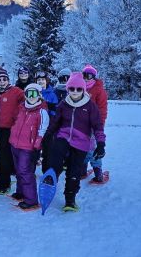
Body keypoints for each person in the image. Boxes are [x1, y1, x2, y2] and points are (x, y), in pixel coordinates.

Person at [45, 72, 106, 212]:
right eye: (72, 89)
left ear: (83, 90)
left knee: (74, 171)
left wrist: (101, 143)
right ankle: (52, 174)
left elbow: (98, 126)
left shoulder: (90, 106)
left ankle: (70, 199)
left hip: (82, 142)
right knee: (57, 150)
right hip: (64, 136)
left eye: (78, 89)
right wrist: (48, 135)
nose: (75, 92)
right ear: (68, 89)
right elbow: (55, 122)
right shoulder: (64, 104)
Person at [9, 84, 49, 210]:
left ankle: (31, 199)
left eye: (34, 94)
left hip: (28, 147)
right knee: (18, 170)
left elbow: (42, 130)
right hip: (15, 144)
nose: (31, 97)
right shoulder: (21, 108)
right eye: (28, 94)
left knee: (25, 171)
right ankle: (21, 192)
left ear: (39, 95)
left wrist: (37, 147)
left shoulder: (42, 112)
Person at [0, 68, 24, 194]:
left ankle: (4, 184)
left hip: (11, 128)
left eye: (4, 79)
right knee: (2, 154)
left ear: (8, 80)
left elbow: (26, 98)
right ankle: (2, 178)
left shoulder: (16, 91)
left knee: (4, 155)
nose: (2, 82)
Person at [82, 65, 109, 183]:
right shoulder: (80, 88)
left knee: (92, 148)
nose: (87, 78)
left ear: (94, 77)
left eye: (89, 76)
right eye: (85, 75)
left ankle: (98, 174)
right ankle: (82, 171)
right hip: (81, 124)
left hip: (93, 125)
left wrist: (100, 125)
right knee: (81, 147)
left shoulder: (99, 90)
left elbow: (102, 109)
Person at [35, 71, 59, 173]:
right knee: (34, 149)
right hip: (34, 126)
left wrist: (49, 107)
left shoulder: (52, 94)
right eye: (39, 80)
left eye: (43, 80)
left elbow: (56, 111)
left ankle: (46, 172)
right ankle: (30, 170)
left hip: (47, 127)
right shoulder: (33, 92)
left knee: (47, 150)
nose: (41, 82)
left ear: (46, 81)